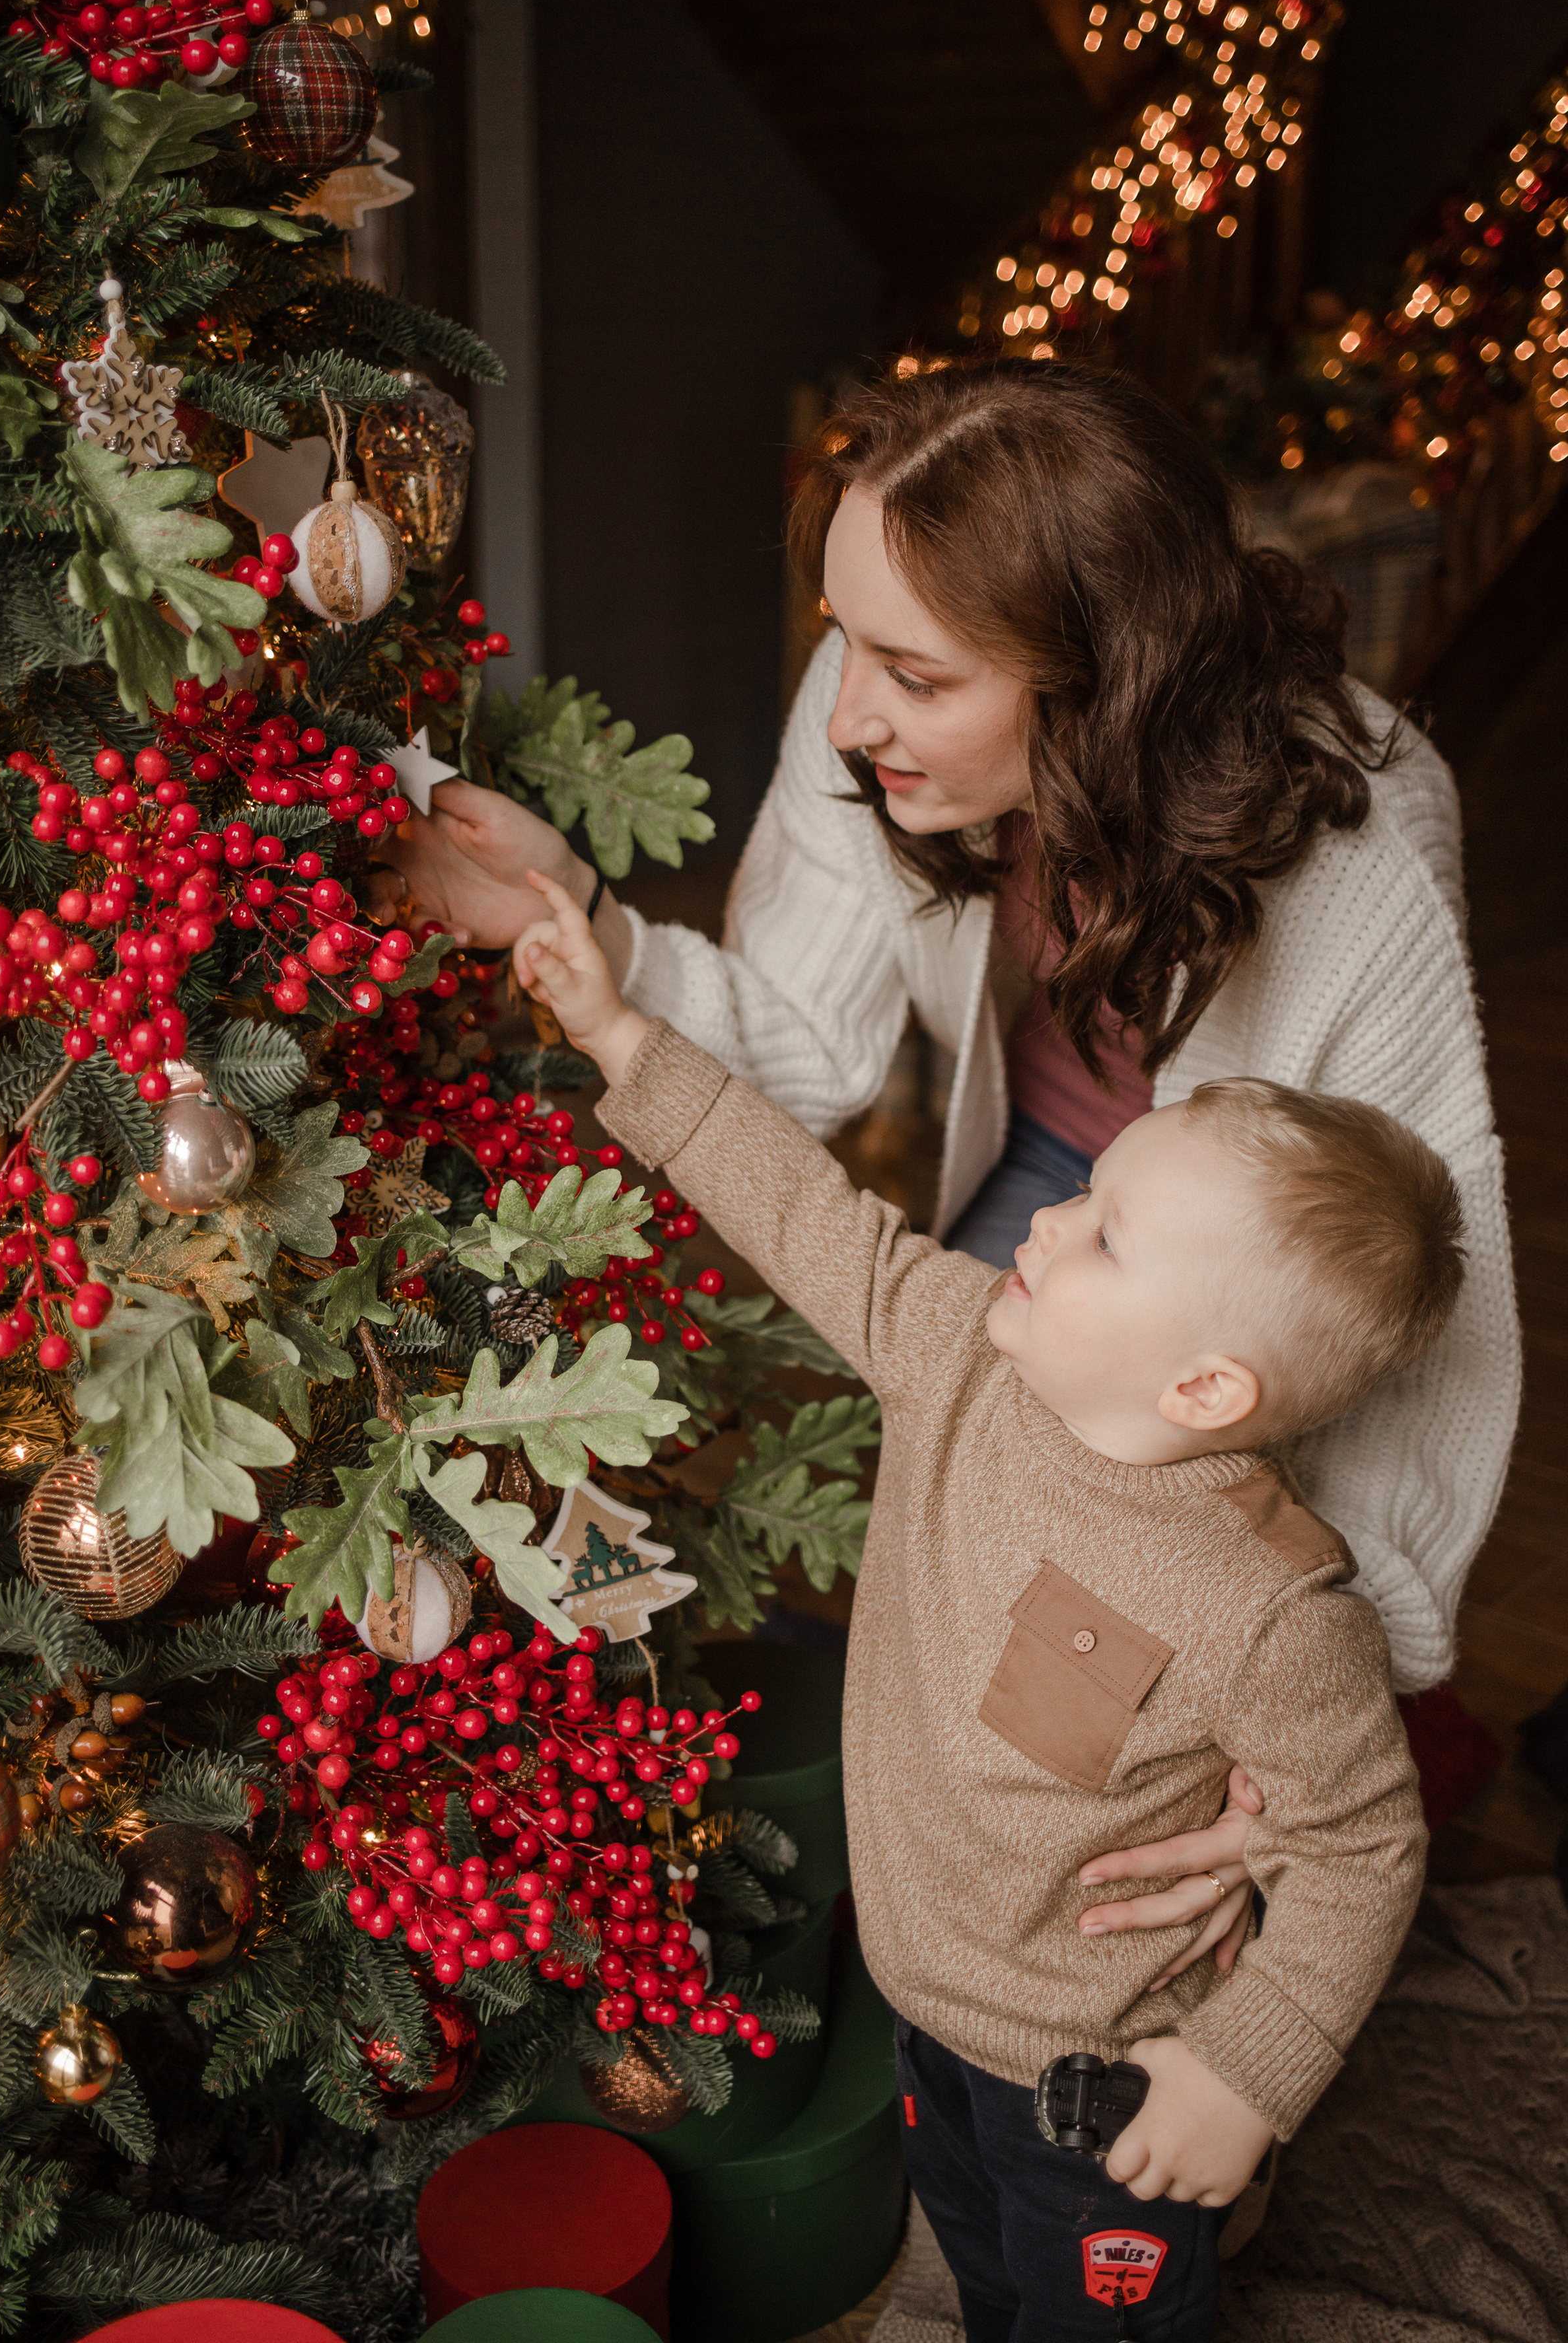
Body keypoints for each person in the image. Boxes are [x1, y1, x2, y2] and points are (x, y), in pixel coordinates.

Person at [379, 357, 1518, 1980]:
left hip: (1219, 1246)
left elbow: (1401, 1317)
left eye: (910, 673)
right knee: (973, 1569)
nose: (846, 713)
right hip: (1062, 1177)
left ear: (1095, 681)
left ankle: (1120, 2020)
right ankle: (957, 1929)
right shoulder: (875, 711)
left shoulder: (1362, 850)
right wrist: (587, 919)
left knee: (1168, 1656)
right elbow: (795, 1044)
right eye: (840, 637)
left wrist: (1305, 1735)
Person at [509, 868, 1449, 2343]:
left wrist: (1242, 2074)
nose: (1047, 1218)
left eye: (1105, 1234)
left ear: (1204, 1389)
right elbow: (809, 1216)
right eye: (1086, 1189)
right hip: (923, 2003)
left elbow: (1360, 1844)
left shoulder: (1269, 1608)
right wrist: (622, 1037)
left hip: (1099, 2084)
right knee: (967, 2253)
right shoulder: (960, 1354)